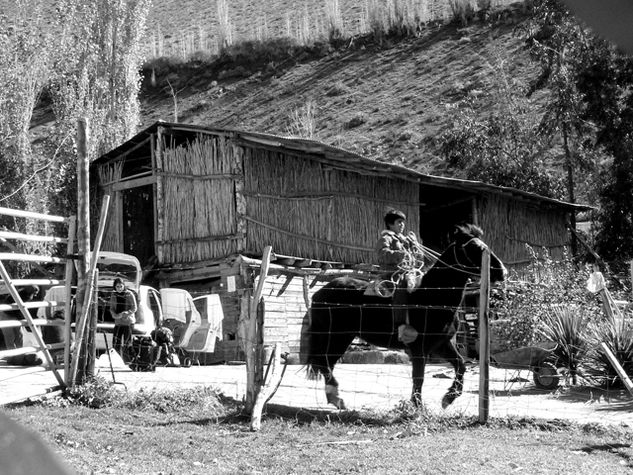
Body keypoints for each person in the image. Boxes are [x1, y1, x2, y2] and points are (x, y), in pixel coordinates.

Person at [375, 209, 424, 333]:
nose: (402, 225)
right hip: (393, 274)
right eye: (399, 222)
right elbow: (382, 254)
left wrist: (415, 246)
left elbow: (417, 257)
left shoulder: (405, 240)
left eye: (403, 222)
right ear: (391, 224)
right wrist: (400, 254)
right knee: (401, 287)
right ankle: (399, 324)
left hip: (408, 272)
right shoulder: (386, 238)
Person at [0, 285, 40, 351]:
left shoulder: (23, 294)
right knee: (10, 336)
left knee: (19, 335)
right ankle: (12, 355)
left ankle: (20, 354)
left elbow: (20, 311)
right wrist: (27, 324)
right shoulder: (23, 296)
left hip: (14, 314)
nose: (35, 295)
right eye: (35, 293)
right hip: (6, 314)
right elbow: (19, 311)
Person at [109, 278, 137, 357]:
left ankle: (127, 360)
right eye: (117, 287)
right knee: (116, 342)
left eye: (121, 286)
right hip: (118, 322)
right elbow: (111, 308)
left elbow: (134, 308)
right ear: (115, 287)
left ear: (124, 286)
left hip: (128, 322)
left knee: (127, 343)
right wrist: (114, 315)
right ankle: (116, 359)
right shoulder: (113, 295)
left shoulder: (129, 294)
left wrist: (127, 313)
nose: (119, 288)